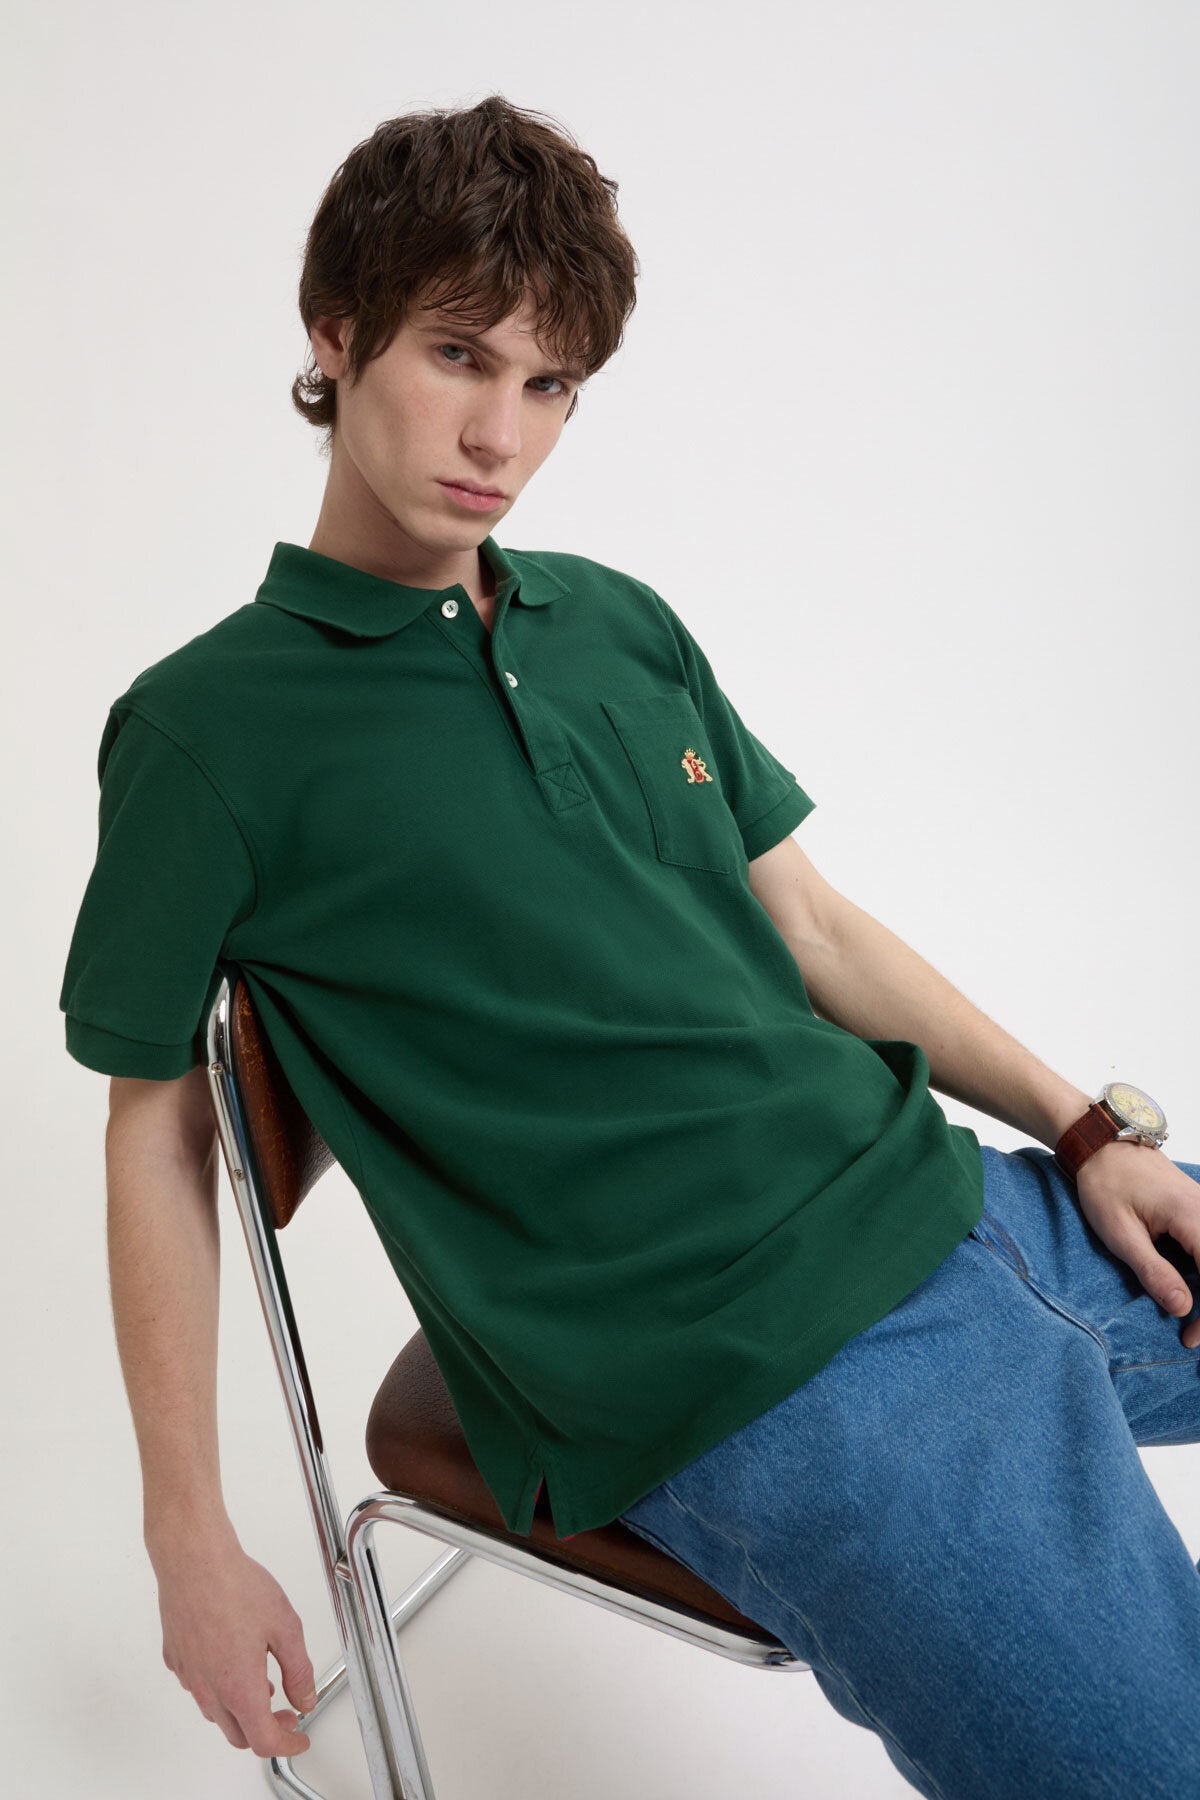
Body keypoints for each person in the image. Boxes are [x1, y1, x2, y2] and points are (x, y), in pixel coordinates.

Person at [59, 94, 1200, 1796]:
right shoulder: (207, 733)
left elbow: (811, 926)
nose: (499, 435)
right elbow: (156, 1129)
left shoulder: (613, 619)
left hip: (957, 1203)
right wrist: (187, 1539)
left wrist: (1089, 1136)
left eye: (551, 386)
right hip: (757, 1375)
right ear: (335, 333)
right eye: (458, 355)